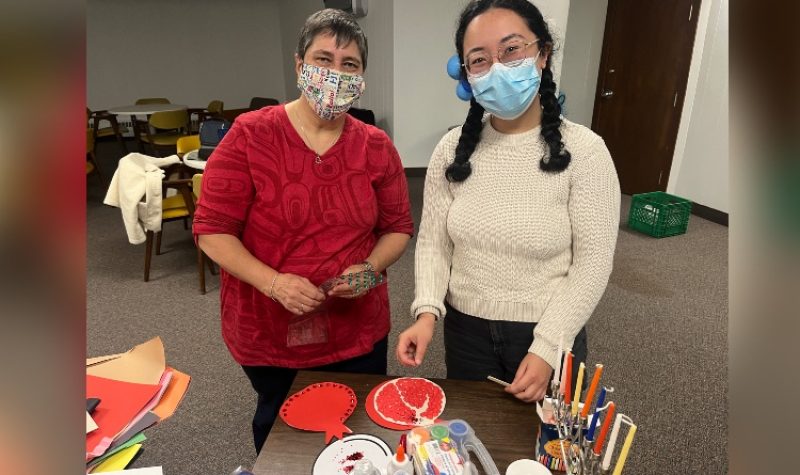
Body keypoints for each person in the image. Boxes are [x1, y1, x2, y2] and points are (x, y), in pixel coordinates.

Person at [193, 9, 414, 453]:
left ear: (362, 76)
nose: (335, 74)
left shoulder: (375, 146)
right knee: (282, 428)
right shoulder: (251, 134)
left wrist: (370, 269)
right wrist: (272, 282)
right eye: (323, 59)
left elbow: (398, 228)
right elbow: (211, 229)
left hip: (357, 328)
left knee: (360, 427)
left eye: (349, 65)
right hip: (270, 330)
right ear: (299, 66)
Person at [396, 0, 620, 404]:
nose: (497, 68)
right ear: (466, 75)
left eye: (511, 49)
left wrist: (549, 346)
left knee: (547, 453)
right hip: (465, 331)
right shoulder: (451, 150)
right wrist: (427, 312)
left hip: (546, 330)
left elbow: (594, 263)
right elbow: (433, 242)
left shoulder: (585, 152)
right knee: (474, 444)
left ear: (543, 53)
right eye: (479, 59)